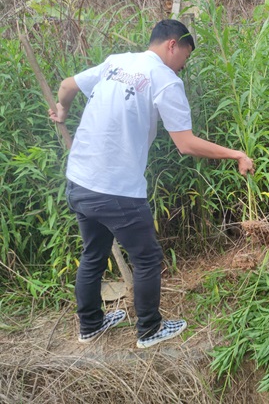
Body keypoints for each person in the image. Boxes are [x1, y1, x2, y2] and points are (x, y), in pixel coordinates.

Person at [49, 19, 255, 348]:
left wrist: (62, 111)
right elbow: (185, 144)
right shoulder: (165, 79)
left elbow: (66, 86)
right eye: (185, 56)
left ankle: (90, 326)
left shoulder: (116, 62)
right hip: (117, 189)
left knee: (93, 254)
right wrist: (235, 154)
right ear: (173, 45)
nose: (184, 66)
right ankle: (149, 330)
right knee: (146, 258)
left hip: (79, 180)